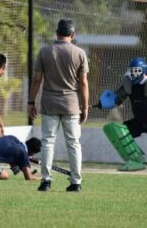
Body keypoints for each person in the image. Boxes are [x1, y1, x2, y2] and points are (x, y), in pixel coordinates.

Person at [28, 19, 89, 192]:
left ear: (57, 33)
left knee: (48, 142)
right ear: (73, 34)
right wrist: (84, 107)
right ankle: (76, 182)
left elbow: (37, 80)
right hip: (71, 105)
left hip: (50, 104)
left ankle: (46, 181)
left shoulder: (45, 51)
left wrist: (31, 102)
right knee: (74, 143)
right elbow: (83, 83)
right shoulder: (80, 53)